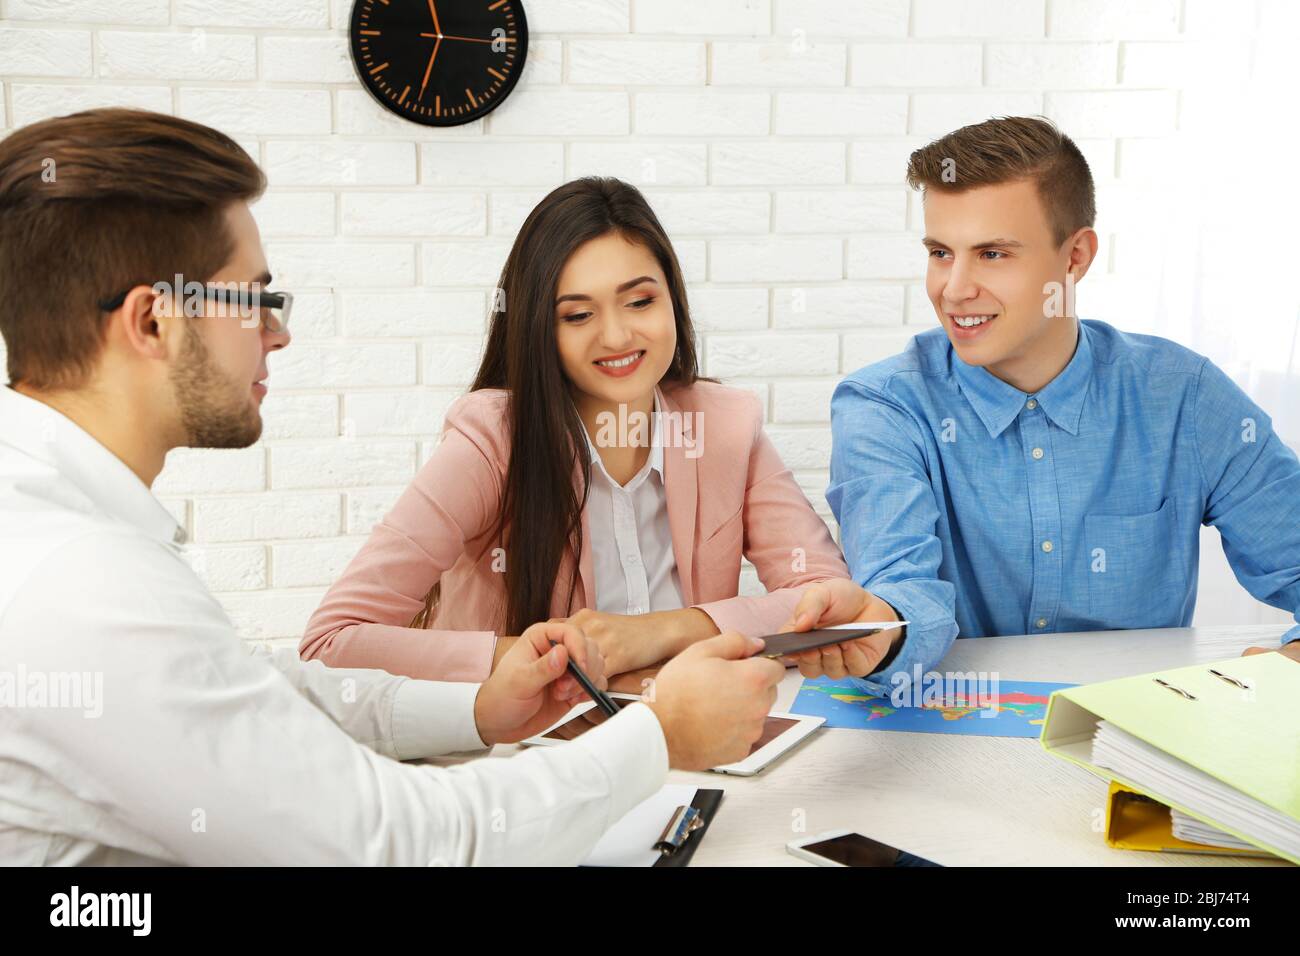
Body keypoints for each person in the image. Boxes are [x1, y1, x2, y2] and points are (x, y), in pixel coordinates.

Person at [0, 108, 786, 866]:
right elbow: (402, 844)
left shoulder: (65, 534)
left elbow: (264, 690)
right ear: (152, 324)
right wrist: (657, 736)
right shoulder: (88, 587)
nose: (279, 332)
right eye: (257, 299)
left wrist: (480, 706)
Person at [793, 116, 1300, 688]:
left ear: (1075, 256)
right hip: (942, 738)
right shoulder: (883, 408)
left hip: (1130, 745)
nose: (953, 289)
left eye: (991, 254)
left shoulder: (1182, 395)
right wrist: (882, 629)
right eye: (940, 252)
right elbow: (902, 586)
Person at [301, 177, 852, 691]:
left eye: (640, 301)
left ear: (673, 301)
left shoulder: (725, 424)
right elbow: (330, 644)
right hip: (522, 757)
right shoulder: (491, 439)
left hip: (688, 738)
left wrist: (667, 631)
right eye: (576, 315)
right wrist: (543, 659)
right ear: (539, 327)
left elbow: (830, 602)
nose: (616, 335)